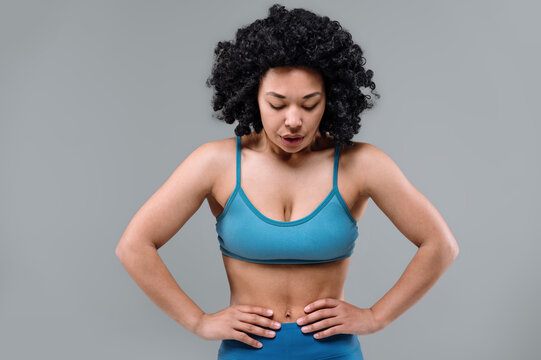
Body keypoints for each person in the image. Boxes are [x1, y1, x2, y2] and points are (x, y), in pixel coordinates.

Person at [116, 4, 459, 359]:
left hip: (333, 354)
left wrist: (375, 317)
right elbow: (134, 245)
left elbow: (440, 245)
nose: (293, 120)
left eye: (309, 104)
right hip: (247, 353)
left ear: (331, 99)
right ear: (253, 96)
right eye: (277, 104)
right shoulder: (214, 163)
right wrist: (198, 322)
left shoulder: (362, 164)